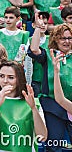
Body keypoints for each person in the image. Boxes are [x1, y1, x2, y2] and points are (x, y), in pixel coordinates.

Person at [0, 61, 48, 151]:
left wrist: (33, 108)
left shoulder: (33, 102)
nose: (5, 81)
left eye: (11, 77)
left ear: (19, 79)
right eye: (1, 76)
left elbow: (42, 137)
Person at [29, 22, 72, 152]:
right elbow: (34, 49)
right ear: (55, 39)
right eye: (63, 38)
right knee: (54, 145)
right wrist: (38, 28)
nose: (67, 41)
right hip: (53, 106)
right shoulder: (49, 54)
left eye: (70, 38)